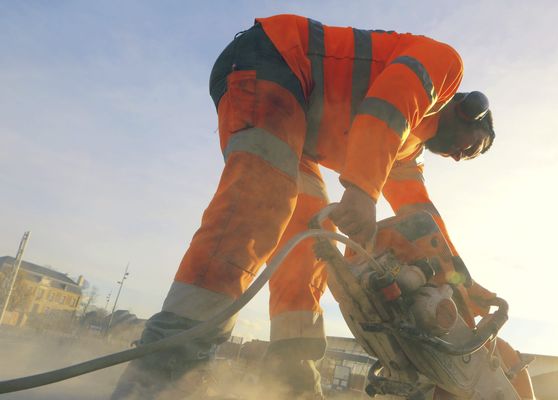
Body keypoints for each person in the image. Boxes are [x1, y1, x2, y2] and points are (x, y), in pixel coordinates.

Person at [111, 14, 531, 400]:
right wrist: (363, 192)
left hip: (299, 124)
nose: (461, 157)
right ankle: (165, 369)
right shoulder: (444, 68)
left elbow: (422, 223)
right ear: (470, 110)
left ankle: (293, 383)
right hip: (277, 61)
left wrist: (461, 281)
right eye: (472, 146)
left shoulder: (404, 153)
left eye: (469, 158)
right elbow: (387, 105)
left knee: (306, 250)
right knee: (260, 202)